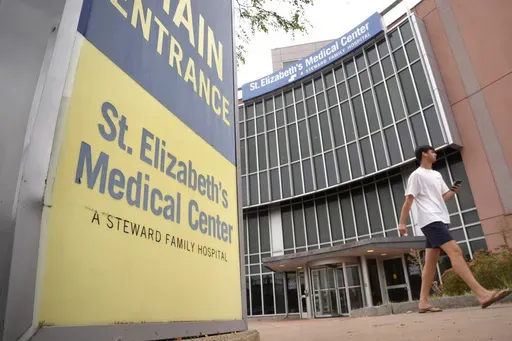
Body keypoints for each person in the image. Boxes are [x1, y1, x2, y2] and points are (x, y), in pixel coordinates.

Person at [398, 145, 511, 313]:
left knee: (430, 262)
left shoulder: (436, 174)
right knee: (456, 252)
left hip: (441, 218)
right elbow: (409, 200)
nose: (435, 154)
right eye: (432, 152)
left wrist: (452, 191)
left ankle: (423, 302)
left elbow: (444, 198)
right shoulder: (416, 175)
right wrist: (402, 223)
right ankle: (482, 294)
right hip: (430, 220)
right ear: (424, 154)